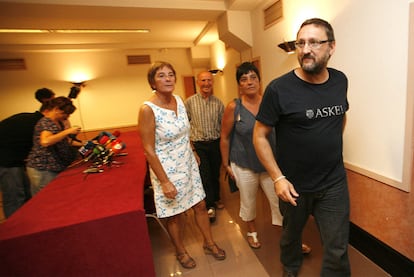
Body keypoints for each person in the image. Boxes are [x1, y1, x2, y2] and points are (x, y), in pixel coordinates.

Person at [253, 18, 350, 277]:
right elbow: (259, 136)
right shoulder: (279, 89)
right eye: (300, 43)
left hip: (333, 184)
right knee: (291, 237)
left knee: (337, 248)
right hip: (293, 186)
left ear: (331, 47)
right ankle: (291, 270)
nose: (305, 49)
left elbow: (340, 116)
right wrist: (278, 178)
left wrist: (325, 145)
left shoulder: (340, 81)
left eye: (314, 42)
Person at [138, 61, 226, 269]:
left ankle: (209, 243)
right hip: (166, 170)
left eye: (171, 74)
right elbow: (148, 149)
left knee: (201, 205)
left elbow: (185, 132)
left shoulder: (178, 100)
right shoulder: (147, 109)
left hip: (187, 164)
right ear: (152, 82)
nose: (168, 79)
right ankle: (180, 251)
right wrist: (165, 181)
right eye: (161, 75)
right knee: (176, 215)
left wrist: (193, 151)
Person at [220, 62, 311, 254]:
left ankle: (289, 240)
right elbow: (225, 137)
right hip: (244, 164)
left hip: (271, 166)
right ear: (239, 85)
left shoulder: (271, 102)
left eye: (253, 77)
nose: (249, 82)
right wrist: (226, 163)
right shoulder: (233, 107)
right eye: (244, 79)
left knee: (280, 203)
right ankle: (251, 232)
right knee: (248, 200)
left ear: (260, 81)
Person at [0, 88, 55, 218]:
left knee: (24, 194)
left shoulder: (26, 117)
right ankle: (14, 230)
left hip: (13, 160)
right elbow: (44, 144)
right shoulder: (40, 123)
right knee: (15, 196)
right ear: (47, 111)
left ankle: (24, 223)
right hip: (6, 162)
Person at [185, 71, 225, 222]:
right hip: (199, 145)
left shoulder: (218, 103)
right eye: (203, 80)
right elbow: (185, 126)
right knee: (205, 175)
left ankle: (217, 197)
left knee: (215, 173)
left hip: (215, 144)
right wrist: (192, 149)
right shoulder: (189, 102)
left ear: (212, 82)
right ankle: (210, 205)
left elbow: (223, 126)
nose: (206, 83)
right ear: (198, 82)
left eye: (209, 80)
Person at [26, 96, 81, 196]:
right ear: (56, 109)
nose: (67, 116)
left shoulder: (59, 122)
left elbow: (65, 140)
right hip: (43, 168)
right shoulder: (46, 122)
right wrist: (68, 131)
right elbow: (45, 141)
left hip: (54, 167)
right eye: (65, 113)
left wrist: (84, 143)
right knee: (47, 198)